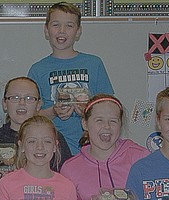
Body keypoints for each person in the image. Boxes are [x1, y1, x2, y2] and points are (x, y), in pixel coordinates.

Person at [28, 2, 114, 155]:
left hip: (92, 148)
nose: (62, 31)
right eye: (56, 25)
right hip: (54, 151)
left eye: (69, 25)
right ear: (46, 30)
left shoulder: (94, 63)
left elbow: (110, 108)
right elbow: (31, 117)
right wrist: (54, 111)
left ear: (78, 31)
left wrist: (87, 111)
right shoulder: (37, 70)